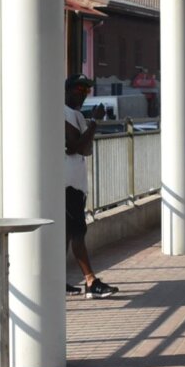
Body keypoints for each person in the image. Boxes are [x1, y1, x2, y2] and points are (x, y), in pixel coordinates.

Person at [64, 76, 118, 298]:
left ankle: (58, 281)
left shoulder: (76, 115)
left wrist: (90, 124)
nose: (83, 93)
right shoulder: (62, 112)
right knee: (78, 232)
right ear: (67, 90)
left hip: (75, 184)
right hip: (67, 184)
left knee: (67, 234)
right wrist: (94, 122)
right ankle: (90, 281)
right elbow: (73, 146)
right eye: (79, 88)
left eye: (87, 90)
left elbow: (84, 149)